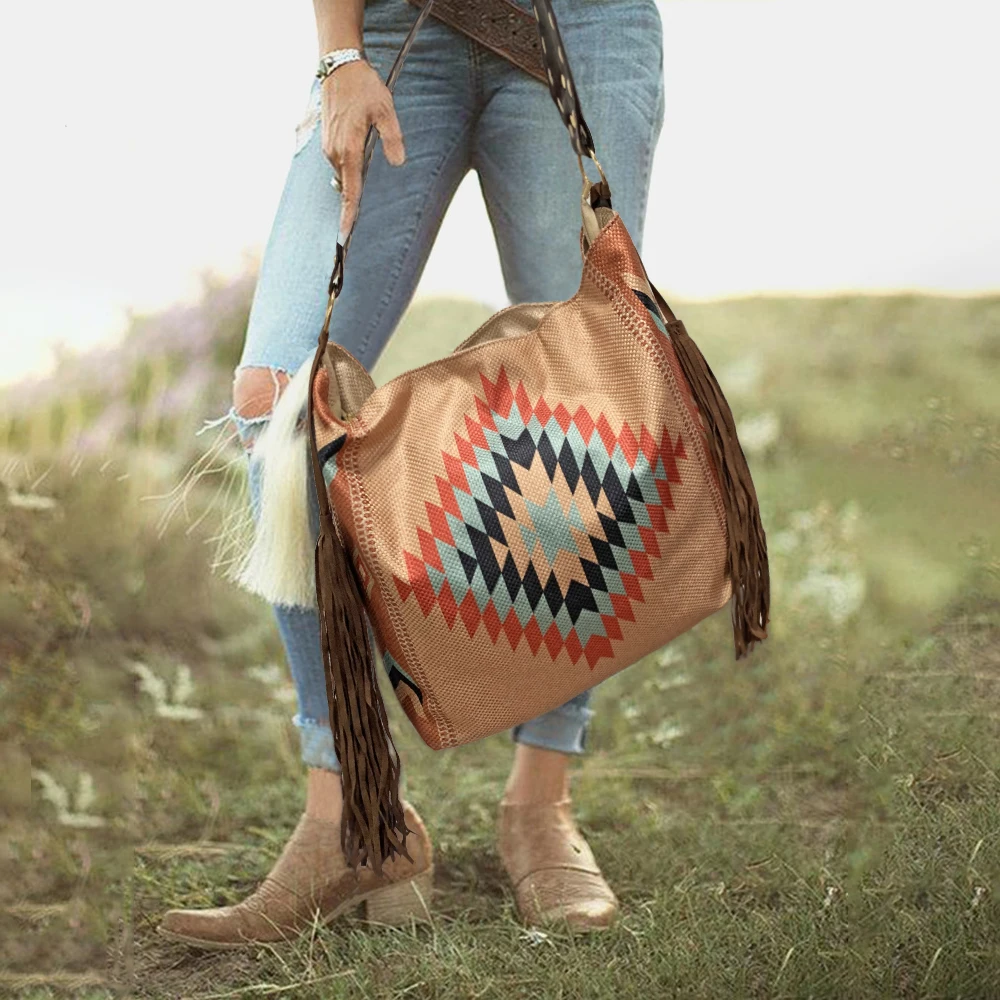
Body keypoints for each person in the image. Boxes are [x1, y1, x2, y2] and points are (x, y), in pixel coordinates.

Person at [157, 0, 665, 948]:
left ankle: (539, 801)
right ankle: (354, 817)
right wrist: (340, 54)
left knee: (584, 405)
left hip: (581, 27)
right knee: (281, 399)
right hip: (395, 33)